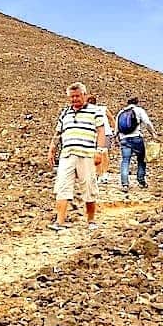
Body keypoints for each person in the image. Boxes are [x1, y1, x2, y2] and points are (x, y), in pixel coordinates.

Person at [47, 82, 106, 231]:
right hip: (67, 155)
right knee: (62, 187)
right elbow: (58, 133)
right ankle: (59, 222)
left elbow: (101, 131)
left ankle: (91, 221)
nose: (74, 99)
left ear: (84, 95)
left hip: (86, 154)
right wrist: (52, 149)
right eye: (72, 97)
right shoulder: (65, 113)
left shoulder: (95, 111)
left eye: (77, 96)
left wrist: (99, 151)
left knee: (89, 187)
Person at [115, 97, 158, 191]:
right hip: (136, 138)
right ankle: (141, 181)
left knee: (125, 160)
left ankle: (125, 184)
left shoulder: (120, 113)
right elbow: (147, 123)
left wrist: (116, 138)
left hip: (124, 139)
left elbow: (117, 129)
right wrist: (153, 133)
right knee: (141, 160)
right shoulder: (139, 110)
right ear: (137, 103)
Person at [86, 94, 115, 183]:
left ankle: (100, 174)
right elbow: (112, 119)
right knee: (104, 153)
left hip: (96, 135)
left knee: (98, 154)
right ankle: (104, 174)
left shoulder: (87, 111)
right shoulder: (103, 109)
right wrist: (114, 130)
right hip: (106, 133)